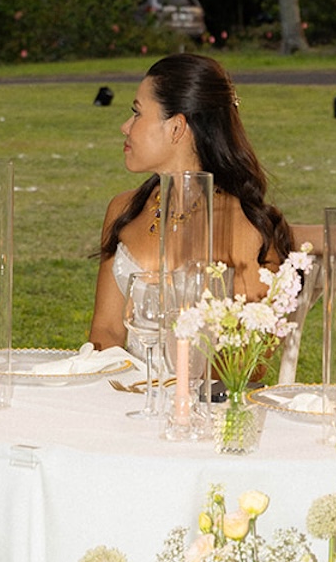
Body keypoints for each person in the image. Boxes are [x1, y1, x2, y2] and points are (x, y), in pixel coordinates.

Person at [89, 52, 298, 350]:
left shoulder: (241, 227)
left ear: (176, 127)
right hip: (127, 380)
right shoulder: (123, 210)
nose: (125, 126)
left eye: (137, 113)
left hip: (205, 382)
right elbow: (106, 331)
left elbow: (250, 360)